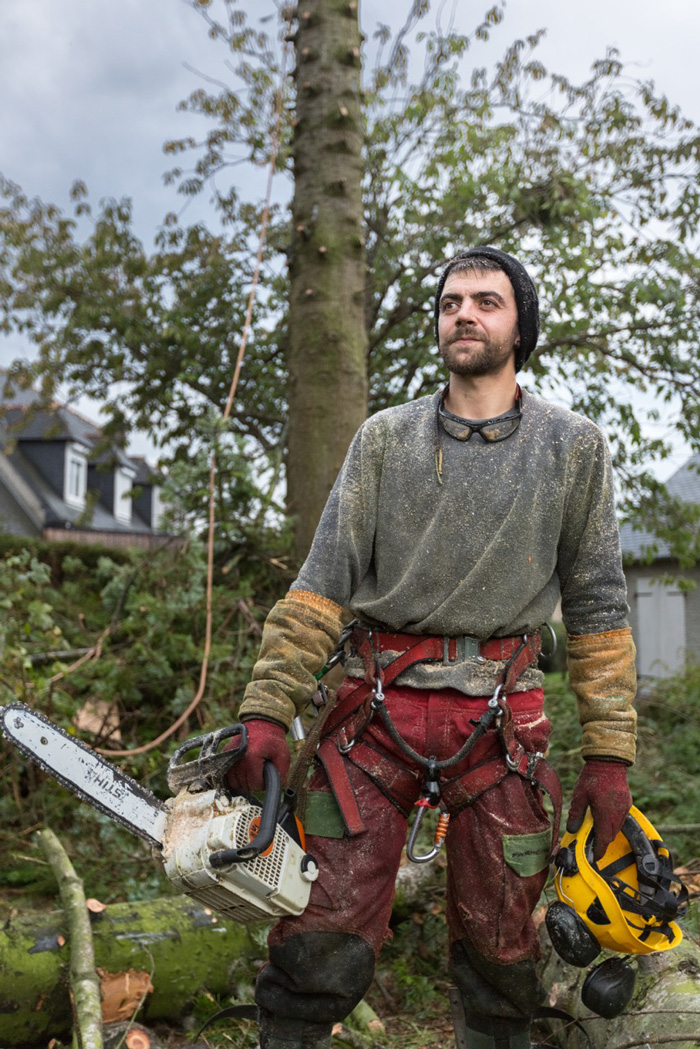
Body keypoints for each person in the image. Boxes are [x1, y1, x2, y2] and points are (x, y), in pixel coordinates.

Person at [226, 246, 638, 1049]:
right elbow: (321, 585)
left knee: (504, 951)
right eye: (452, 302)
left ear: (521, 324)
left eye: (487, 301)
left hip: (502, 722)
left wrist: (610, 755)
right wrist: (265, 707)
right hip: (372, 712)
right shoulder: (385, 439)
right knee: (318, 937)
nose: (465, 314)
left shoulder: (572, 446)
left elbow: (598, 606)